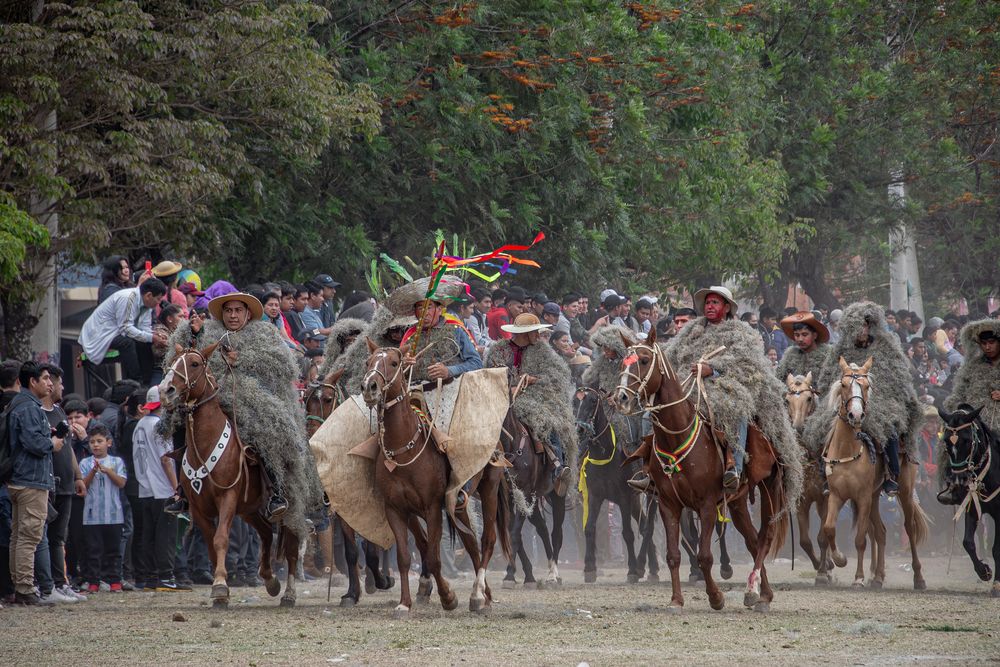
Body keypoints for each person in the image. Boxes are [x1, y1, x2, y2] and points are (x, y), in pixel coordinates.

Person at [163, 292, 323, 537]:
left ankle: (276, 492)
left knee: (266, 429)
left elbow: (283, 364)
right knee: (178, 422)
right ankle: (181, 494)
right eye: (228, 311)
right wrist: (194, 334)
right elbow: (184, 361)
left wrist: (242, 358)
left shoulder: (265, 333)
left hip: (251, 399)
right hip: (210, 396)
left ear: (248, 313)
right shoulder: (208, 330)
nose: (233, 315)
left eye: (238, 310)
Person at [662, 286, 798, 491]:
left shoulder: (741, 333)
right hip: (687, 386)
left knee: (736, 409)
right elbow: (671, 357)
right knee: (657, 410)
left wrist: (713, 370)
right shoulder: (691, 331)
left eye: (714, 302)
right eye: (707, 303)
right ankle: (651, 465)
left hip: (724, 387)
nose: (709, 306)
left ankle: (733, 466)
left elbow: (747, 367)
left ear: (726, 308)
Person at [807, 302, 923, 497]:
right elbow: (828, 377)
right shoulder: (839, 350)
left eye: (865, 325)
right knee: (817, 427)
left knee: (889, 428)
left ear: (871, 326)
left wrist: (876, 393)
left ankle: (890, 475)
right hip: (845, 400)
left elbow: (898, 376)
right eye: (857, 326)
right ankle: (824, 472)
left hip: (880, 400)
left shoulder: (886, 346)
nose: (861, 330)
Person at [485, 313, 576, 496]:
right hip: (500, 395)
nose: (538, 335)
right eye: (535, 332)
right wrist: (507, 384)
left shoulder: (543, 350)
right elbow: (488, 372)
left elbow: (559, 375)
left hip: (535, 396)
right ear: (524, 334)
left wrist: (536, 379)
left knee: (546, 419)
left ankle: (557, 462)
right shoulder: (498, 350)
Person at [6, 362, 64, 605]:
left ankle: (21, 586)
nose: (50, 384)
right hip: (31, 480)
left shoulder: (18, 405)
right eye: (46, 378)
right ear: (33, 381)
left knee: (19, 537)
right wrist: (53, 443)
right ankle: (26, 589)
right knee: (30, 537)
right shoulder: (29, 408)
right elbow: (36, 445)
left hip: (19, 479)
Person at [38, 365, 87, 602]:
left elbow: (67, 449)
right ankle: (45, 585)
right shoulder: (38, 413)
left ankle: (61, 582)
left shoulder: (59, 412)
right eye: (59, 383)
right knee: (44, 535)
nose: (61, 388)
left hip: (67, 483)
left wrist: (78, 476)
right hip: (47, 483)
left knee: (59, 536)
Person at [938, 319, 1000, 503]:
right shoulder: (971, 366)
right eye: (984, 343)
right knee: (951, 441)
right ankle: (954, 485)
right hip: (973, 419)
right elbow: (959, 391)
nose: (988, 347)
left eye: (992, 342)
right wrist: (955, 407)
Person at [131, 387, 187, 591]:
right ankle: (165, 577)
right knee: (166, 535)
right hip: (162, 489)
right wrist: (176, 487)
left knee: (149, 535)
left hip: (144, 488)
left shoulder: (140, 425)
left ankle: (150, 578)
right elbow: (166, 459)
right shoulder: (159, 426)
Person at [78, 278, 168, 384]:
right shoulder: (129, 298)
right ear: (148, 295)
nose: (158, 303)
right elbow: (126, 328)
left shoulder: (147, 305)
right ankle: (136, 380)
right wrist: (152, 337)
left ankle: (147, 380)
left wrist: (154, 336)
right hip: (99, 334)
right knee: (128, 343)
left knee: (145, 342)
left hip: (117, 331)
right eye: (158, 299)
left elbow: (144, 328)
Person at [78, 423, 127, 592]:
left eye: (99, 441)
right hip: (91, 515)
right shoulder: (85, 463)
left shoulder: (116, 461)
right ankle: (93, 581)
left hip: (114, 514)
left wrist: (107, 471)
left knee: (114, 550)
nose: (96, 445)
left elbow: (121, 483)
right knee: (93, 550)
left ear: (109, 443)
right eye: (92, 442)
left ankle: (114, 580)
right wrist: (92, 471)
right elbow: (81, 486)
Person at [775, 311, 831, 393]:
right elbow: (778, 379)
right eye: (797, 335)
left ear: (814, 335)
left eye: (804, 335)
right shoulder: (790, 354)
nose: (800, 339)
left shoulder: (828, 355)